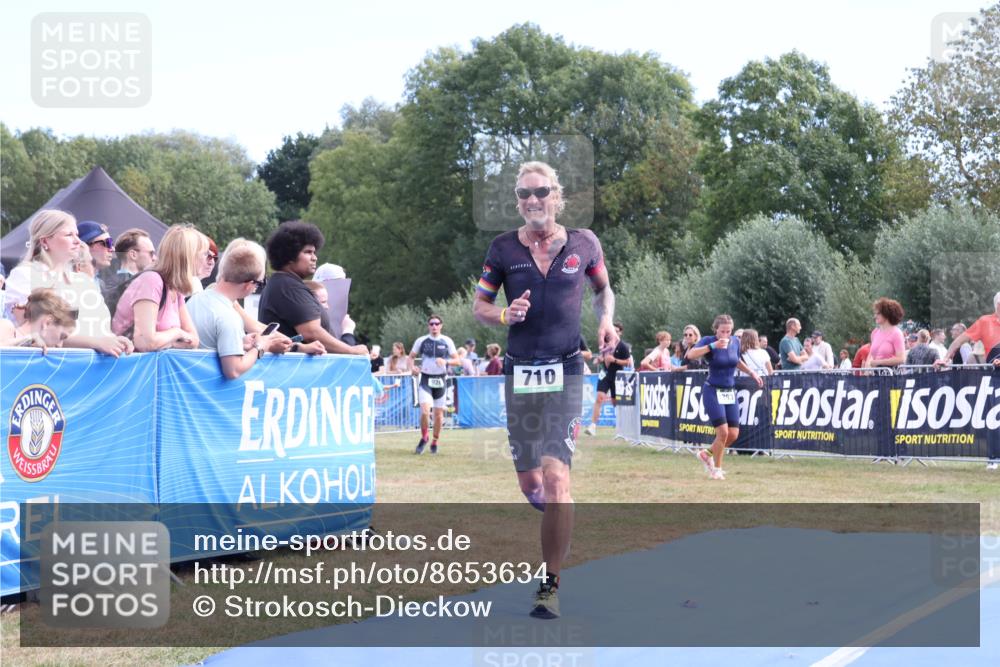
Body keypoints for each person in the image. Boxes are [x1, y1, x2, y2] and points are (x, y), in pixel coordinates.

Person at [473, 160, 617, 620]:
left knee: (557, 480)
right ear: (517, 200)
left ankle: (549, 584)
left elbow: (603, 290)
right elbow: (480, 304)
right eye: (524, 194)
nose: (533, 200)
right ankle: (562, 516)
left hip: (568, 369)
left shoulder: (584, 243)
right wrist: (502, 316)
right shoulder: (501, 249)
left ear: (557, 196)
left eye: (541, 192)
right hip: (520, 373)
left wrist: (607, 321)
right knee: (531, 482)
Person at [3, 209, 132, 357]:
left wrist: (115, 340)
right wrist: (97, 342)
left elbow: (100, 328)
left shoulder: (83, 280)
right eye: (69, 235)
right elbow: (39, 332)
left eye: (77, 234)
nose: (78, 241)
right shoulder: (24, 275)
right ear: (45, 241)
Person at [186, 240, 294, 379]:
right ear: (250, 284)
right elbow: (233, 370)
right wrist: (260, 347)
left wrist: (242, 343)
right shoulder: (229, 316)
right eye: (260, 283)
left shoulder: (195, 299)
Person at [257, 221, 367, 356]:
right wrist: (351, 351)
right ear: (289, 255)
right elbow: (311, 332)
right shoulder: (287, 286)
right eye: (308, 252)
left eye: (314, 252)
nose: (315, 258)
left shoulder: (283, 283)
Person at [686, 314, 763, 480]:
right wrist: (713, 346)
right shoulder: (708, 340)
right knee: (722, 432)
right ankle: (717, 469)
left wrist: (752, 373)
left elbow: (736, 361)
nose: (725, 335)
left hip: (729, 391)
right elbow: (690, 355)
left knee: (733, 434)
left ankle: (706, 453)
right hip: (712, 390)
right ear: (716, 330)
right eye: (722, 331)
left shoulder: (735, 341)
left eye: (728, 331)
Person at [112, 224, 203, 351]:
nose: (208, 260)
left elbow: (194, 340)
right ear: (188, 257)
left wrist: (167, 341)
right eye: (204, 254)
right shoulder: (152, 281)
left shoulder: (175, 289)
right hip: (128, 366)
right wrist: (176, 333)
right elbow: (145, 342)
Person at [409, 314, 458, 454]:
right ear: (428, 326)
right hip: (425, 379)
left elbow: (458, 360)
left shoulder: (447, 341)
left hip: (441, 380)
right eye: (431, 324)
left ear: (441, 325)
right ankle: (424, 437)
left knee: (438, 415)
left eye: (437, 323)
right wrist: (412, 368)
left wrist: (446, 362)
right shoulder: (422, 341)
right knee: (424, 411)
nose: (434, 326)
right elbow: (411, 357)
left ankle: (435, 441)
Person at [585, 321, 631, 435]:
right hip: (604, 374)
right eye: (612, 330)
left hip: (617, 376)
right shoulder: (605, 344)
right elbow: (602, 356)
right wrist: (599, 359)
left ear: (620, 333)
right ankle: (592, 426)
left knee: (615, 402)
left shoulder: (623, 346)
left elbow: (628, 363)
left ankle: (622, 425)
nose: (613, 333)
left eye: (616, 331)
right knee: (599, 398)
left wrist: (614, 360)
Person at [0, 289, 77, 352]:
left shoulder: (42, 354)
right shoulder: (6, 326)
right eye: (62, 337)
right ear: (47, 322)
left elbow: (89, 343)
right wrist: (27, 340)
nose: (60, 346)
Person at [938, 292, 1000, 370]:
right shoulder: (985, 321)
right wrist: (945, 359)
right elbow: (958, 341)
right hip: (995, 375)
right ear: (998, 305)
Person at [865, 298, 905, 369]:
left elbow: (901, 359)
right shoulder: (875, 332)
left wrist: (879, 362)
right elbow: (871, 355)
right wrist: (867, 367)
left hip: (891, 376)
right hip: (875, 376)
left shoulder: (897, 333)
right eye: (875, 313)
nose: (875, 316)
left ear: (886, 314)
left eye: (878, 313)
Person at [77, 220, 114, 287]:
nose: (112, 249)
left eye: (111, 243)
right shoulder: (70, 282)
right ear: (84, 246)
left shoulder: (100, 283)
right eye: (106, 243)